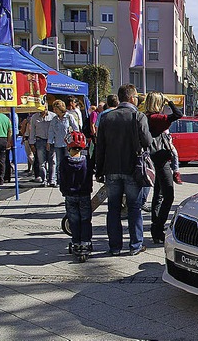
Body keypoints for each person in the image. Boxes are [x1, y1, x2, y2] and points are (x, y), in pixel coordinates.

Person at [96, 84, 152, 256]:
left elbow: (100, 147)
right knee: (134, 207)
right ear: (131, 98)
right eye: (136, 97)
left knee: (113, 208)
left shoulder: (106, 117)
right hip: (132, 169)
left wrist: (99, 170)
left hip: (111, 168)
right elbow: (148, 141)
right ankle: (135, 245)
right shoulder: (138, 116)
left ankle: (114, 247)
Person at [144, 92, 183, 244]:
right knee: (168, 195)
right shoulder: (156, 118)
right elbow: (178, 114)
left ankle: (156, 226)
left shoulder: (145, 117)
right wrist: (170, 102)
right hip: (161, 159)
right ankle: (158, 227)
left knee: (158, 195)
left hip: (153, 158)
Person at [59, 131, 93, 261]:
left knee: (73, 220)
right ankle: (85, 241)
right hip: (84, 194)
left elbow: (61, 179)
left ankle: (76, 241)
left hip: (70, 195)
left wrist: (64, 191)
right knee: (85, 219)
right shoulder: (87, 162)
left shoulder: (64, 162)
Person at [48, 100, 78, 186]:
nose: (54, 111)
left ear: (60, 108)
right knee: (59, 164)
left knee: (69, 162)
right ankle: (60, 181)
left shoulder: (69, 117)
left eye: (56, 109)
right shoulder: (54, 119)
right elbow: (51, 131)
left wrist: (73, 139)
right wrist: (49, 142)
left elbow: (76, 129)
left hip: (68, 145)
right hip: (58, 144)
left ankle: (69, 181)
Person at [29, 107, 57, 185]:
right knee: (41, 162)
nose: (44, 109)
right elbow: (32, 131)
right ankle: (43, 179)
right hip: (40, 141)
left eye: (45, 107)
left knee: (52, 161)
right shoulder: (34, 117)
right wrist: (31, 143)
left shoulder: (53, 116)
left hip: (51, 141)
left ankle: (52, 180)